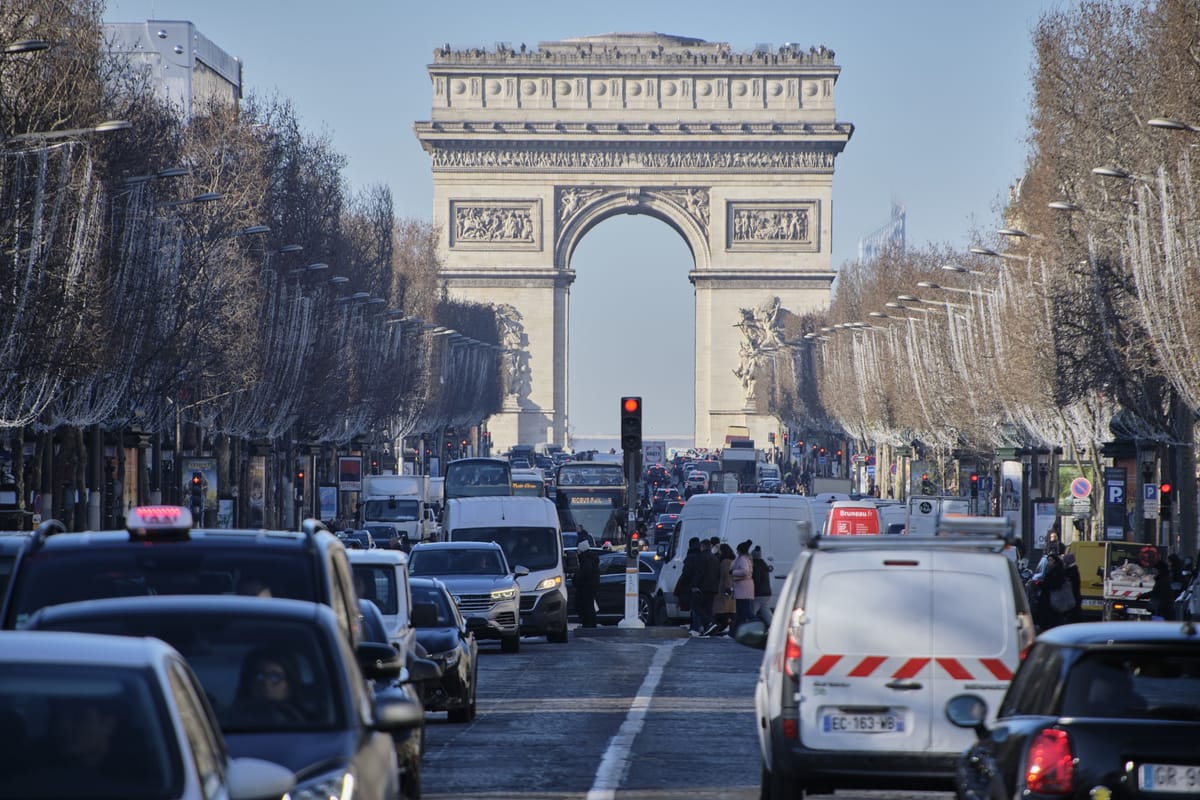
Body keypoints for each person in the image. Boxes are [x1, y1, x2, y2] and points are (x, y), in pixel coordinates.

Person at [235, 647, 305, 724]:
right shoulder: (231, 720)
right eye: (260, 676)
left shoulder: (308, 723)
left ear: (289, 686)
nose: (266, 683)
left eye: (275, 677)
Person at [705, 543, 736, 637]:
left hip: (723, 590)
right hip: (727, 590)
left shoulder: (725, 562)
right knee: (728, 611)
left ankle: (718, 627)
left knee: (721, 611)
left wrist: (727, 589)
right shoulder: (730, 561)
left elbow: (727, 577)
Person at [679, 537, 708, 635]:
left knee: (694, 607)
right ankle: (699, 626)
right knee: (699, 606)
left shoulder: (690, 556)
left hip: (691, 585)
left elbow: (686, 572)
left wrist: (685, 583)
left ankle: (695, 627)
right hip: (702, 584)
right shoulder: (702, 556)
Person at [574, 538, 601, 628]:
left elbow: (585, 573)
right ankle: (590, 623)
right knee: (589, 605)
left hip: (587, 586)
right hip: (591, 586)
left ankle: (588, 623)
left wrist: (577, 579)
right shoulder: (591, 559)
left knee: (586, 605)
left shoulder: (586, 560)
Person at [730, 540, 756, 632]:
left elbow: (745, 571)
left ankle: (760, 623)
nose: (736, 551)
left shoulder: (742, 559)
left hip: (743, 588)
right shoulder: (746, 558)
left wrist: (733, 572)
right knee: (741, 612)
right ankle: (734, 632)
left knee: (744, 611)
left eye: (737, 550)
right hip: (744, 588)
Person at [751, 545, 774, 624]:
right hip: (766, 592)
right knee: (766, 611)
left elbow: (756, 580)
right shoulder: (763, 564)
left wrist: (753, 590)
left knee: (752, 612)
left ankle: (749, 627)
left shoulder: (755, 566)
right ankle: (773, 625)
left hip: (758, 593)